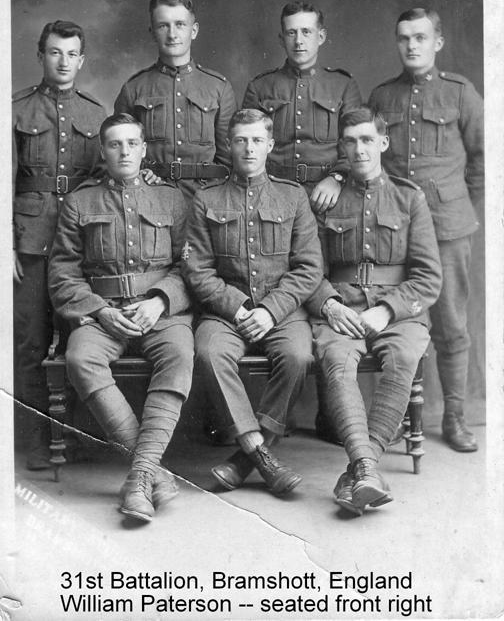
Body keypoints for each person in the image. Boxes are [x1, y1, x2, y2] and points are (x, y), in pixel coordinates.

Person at [48, 114, 193, 523]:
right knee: (80, 360)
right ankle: (151, 473)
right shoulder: (81, 201)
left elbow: (191, 266)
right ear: (103, 151)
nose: (124, 151)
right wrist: (100, 311)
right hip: (104, 311)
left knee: (180, 356)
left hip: (159, 313)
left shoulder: (172, 199)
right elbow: (62, 274)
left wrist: (161, 301)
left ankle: (139, 477)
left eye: (132, 143)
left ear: (144, 149)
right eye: (115, 144)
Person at [308, 106, 442, 515]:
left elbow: (428, 277)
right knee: (335, 359)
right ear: (341, 147)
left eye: (367, 140)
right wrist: (328, 304)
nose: (359, 149)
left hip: (399, 310)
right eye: (350, 141)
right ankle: (365, 472)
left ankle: (362, 469)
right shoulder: (327, 199)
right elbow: (309, 270)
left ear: (382, 143)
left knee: (403, 357)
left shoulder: (408, 197)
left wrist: (386, 311)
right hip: (343, 307)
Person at [182, 108, 323, 496]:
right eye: (241, 140)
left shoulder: (293, 196)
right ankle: (261, 452)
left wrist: (270, 310)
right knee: (209, 352)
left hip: (282, 310)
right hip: (226, 312)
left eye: (257, 140)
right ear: (229, 145)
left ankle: (247, 457)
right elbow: (198, 270)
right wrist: (240, 307)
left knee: (299, 356)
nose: (248, 148)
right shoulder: (206, 199)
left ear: (270, 146)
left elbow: (309, 268)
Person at [368, 7, 484, 452]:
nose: (411, 45)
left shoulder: (460, 93)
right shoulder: (383, 97)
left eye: (420, 37)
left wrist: (457, 205)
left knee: (451, 322)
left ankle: (453, 417)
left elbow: (484, 158)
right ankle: (396, 416)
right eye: (404, 38)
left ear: (437, 41)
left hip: (448, 228)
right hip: (394, 228)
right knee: (397, 319)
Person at [13, 20, 106, 469]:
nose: (63, 61)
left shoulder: (95, 114)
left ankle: (77, 435)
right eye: (54, 52)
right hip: (29, 241)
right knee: (30, 342)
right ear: (41, 55)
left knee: (80, 339)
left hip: (79, 246)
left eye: (71, 54)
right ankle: (32, 440)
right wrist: (4, 244)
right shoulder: (16, 110)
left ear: (82, 60)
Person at [114, 0, 236, 200]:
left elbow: (230, 158)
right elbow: (120, 152)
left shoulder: (218, 88)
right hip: (150, 198)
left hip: (206, 200)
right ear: (152, 32)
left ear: (194, 30)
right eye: (163, 26)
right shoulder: (134, 88)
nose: (172, 34)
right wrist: (141, 172)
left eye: (180, 24)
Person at [242, 1, 361, 213]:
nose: (299, 41)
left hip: (327, 197)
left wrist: (337, 177)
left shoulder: (343, 85)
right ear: (281, 39)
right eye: (291, 33)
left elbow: (355, 143)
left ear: (321, 37)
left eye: (306, 32)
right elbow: (246, 146)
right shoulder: (260, 87)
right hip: (271, 196)